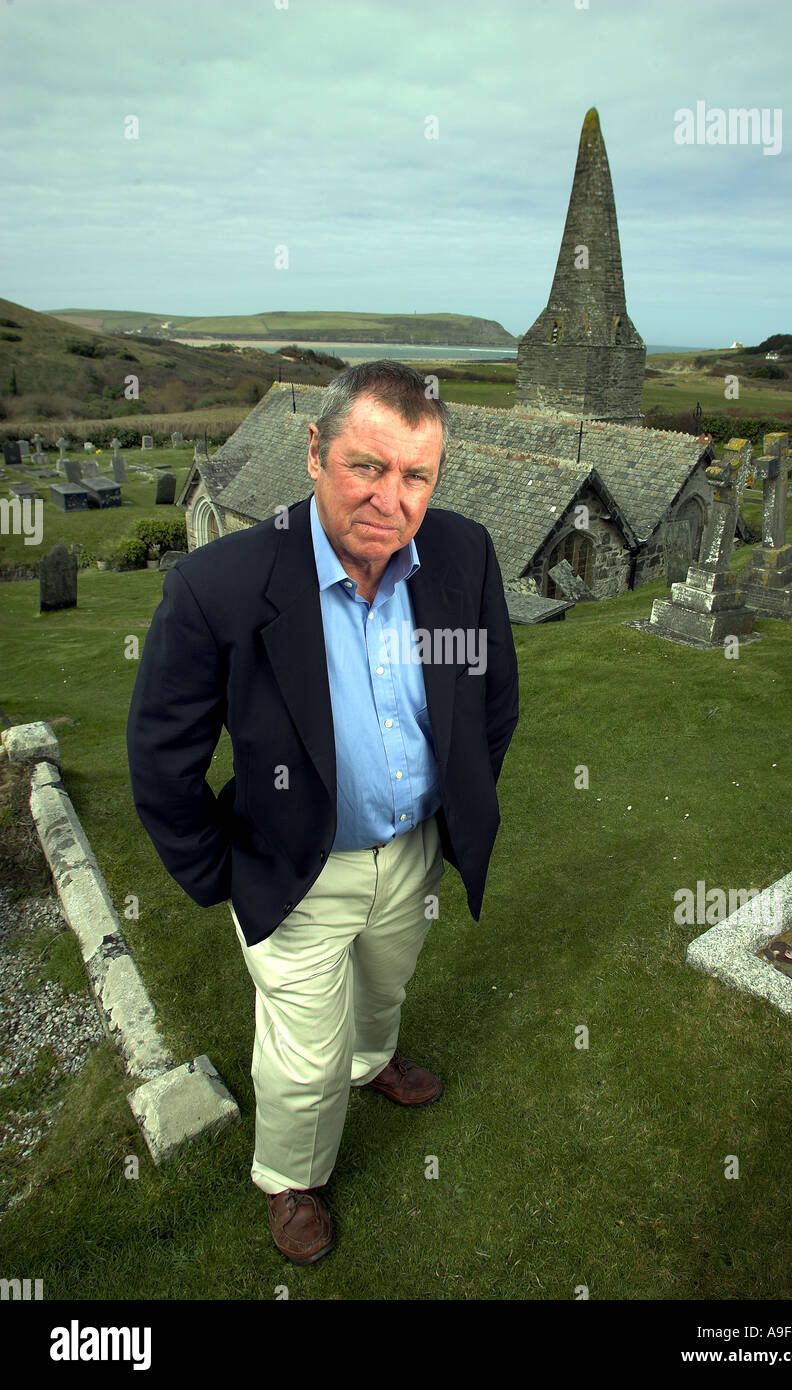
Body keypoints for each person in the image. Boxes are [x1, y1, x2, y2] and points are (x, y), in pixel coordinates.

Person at [126, 360, 519, 1265]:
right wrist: (222, 873)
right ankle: (292, 1176)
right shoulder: (218, 587)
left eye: (416, 474)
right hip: (295, 869)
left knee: (383, 991)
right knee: (301, 1056)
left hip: (414, 852)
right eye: (366, 466)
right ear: (313, 453)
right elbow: (162, 760)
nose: (391, 498)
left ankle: (373, 1061)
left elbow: (490, 699)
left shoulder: (463, 555)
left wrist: (454, 797)